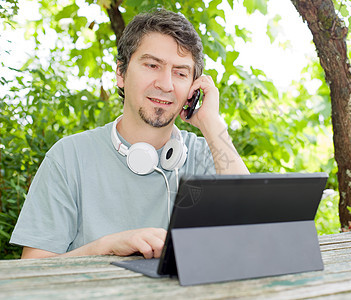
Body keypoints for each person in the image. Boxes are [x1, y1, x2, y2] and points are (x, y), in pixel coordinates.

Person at [10, 8, 249, 259]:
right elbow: (33, 269)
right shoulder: (69, 157)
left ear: (193, 88)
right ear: (121, 74)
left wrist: (212, 123)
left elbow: (255, 234)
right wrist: (106, 247)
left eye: (180, 73)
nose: (166, 84)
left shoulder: (208, 156)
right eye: (152, 65)